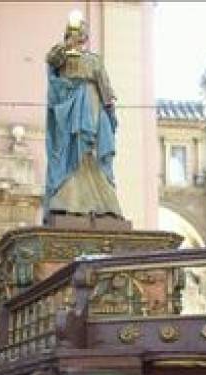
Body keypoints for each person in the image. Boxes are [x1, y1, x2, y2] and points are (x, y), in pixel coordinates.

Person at [44, 10, 123, 220]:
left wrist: (110, 110)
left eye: (82, 32)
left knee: (92, 153)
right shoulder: (61, 56)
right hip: (68, 110)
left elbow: (105, 87)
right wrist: (67, 44)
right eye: (75, 32)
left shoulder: (94, 60)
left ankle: (102, 204)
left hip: (91, 105)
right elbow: (51, 60)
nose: (80, 36)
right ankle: (65, 201)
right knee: (69, 152)